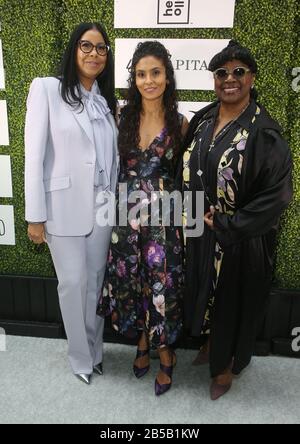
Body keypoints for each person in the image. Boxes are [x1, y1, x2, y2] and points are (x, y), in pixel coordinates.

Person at [179, 40, 293, 400]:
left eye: (238, 72)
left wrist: (230, 224)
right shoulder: (204, 118)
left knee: (232, 301)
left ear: (252, 78)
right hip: (200, 232)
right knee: (204, 292)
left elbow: (276, 196)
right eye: (222, 72)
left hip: (239, 238)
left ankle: (226, 367)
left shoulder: (264, 132)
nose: (230, 78)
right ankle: (212, 344)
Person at [25, 22, 119, 385]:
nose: (94, 54)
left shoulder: (106, 102)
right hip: (62, 207)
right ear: (73, 50)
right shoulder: (47, 89)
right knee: (72, 283)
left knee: (95, 283)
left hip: (101, 208)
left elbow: (109, 161)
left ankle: (96, 352)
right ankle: (80, 358)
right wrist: (36, 216)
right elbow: (34, 156)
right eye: (86, 46)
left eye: (101, 48)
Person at [97, 41, 189, 396]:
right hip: (125, 217)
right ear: (133, 79)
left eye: (155, 73)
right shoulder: (121, 118)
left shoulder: (181, 124)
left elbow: (186, 178)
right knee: (131, 281)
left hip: (164, 221)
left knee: (161, 284)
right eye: (141, 74)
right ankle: (141, 344)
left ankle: (165, 353)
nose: (148, 80)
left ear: (167, 77)